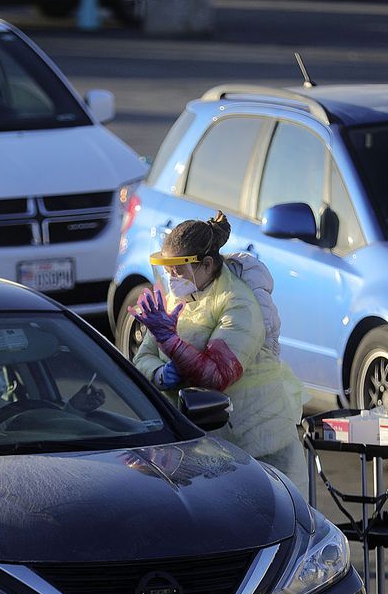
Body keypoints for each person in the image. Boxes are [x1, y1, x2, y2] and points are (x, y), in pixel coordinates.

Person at [130, 211, 308, 492]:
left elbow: (218, 375)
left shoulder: (238, 303)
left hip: (258, 449)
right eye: (167, 269)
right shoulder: (179, 297)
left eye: (178, 268)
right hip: (200, 449)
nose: (172, 277)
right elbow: (142, 359)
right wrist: (161, 375)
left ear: (207, 265)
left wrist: (172, 343)